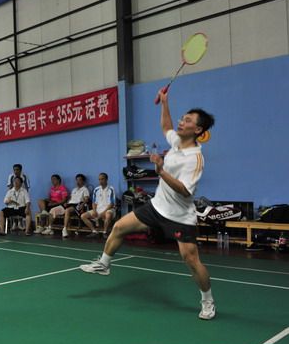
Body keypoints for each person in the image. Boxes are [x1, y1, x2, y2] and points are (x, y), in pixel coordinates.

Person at [80, 90, 216, 320]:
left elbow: (185, 189)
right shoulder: (177, 142)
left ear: (198, 129)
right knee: (119, 227)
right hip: (157, 207)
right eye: (183, 118)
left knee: (191, 260)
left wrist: (161, 171)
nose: (181, 122)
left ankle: (208, 301)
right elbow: (166, 126)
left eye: (187, 120)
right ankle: (104, 264)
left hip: (180, 216)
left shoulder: (195, 158)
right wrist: (164, 102)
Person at [80, 173, 116, 238]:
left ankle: (105, 232)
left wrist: (103, 213)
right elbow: (94, 202)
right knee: (83, 216)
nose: (100, 181)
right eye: (99, 179)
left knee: (108, 215)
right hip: (98, 209)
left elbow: (112, 204)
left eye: (102, 179)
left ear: (106, 179)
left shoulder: (111, 189)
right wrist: (94, 211)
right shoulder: (96, 189)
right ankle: (94, 231)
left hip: (109, 209)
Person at [62, 174, 90, 238]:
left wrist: (82, 204)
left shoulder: (85, 189)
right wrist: (66, 202)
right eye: (77, 180)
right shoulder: (74, 189)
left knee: (67, 210)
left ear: (83, 181)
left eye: (79, 180)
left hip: (78, 205)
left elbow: (86, 199)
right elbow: (71, 198)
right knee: (60, 209)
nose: (78, 182)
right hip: (70, 204)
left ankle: (64, 229)